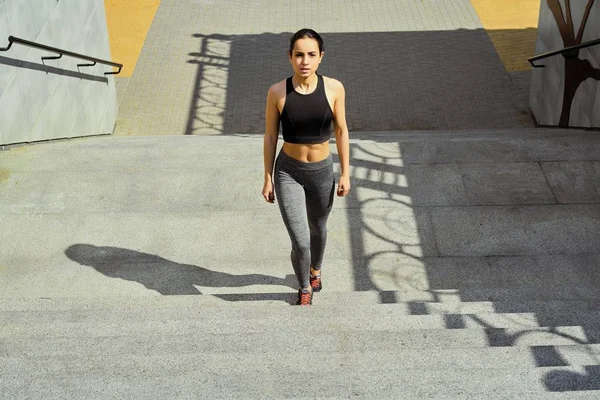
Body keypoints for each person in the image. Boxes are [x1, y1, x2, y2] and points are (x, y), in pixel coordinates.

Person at [262, 28, 350, 306]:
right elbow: (270, 136)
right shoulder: (277, 92)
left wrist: (345, 172)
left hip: (322, 172)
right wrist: (267, 177)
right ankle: (304, 287)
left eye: (311, 54)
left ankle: (315, 269)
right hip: (288, 172)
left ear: (321, 57)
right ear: (290, 57)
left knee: (318, 229)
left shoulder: (334, 88)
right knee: (300, 240)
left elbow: (342, 131)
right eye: (299, 55)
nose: (305, 61)